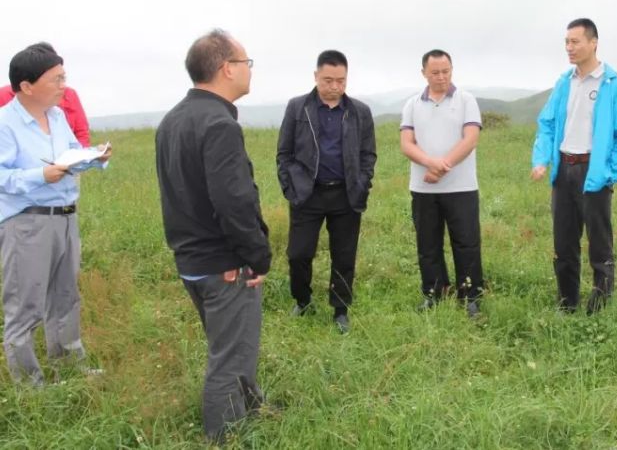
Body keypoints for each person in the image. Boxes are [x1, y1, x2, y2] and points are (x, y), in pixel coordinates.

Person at [155, 29, 272, 443]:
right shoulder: (219, 124)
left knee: (234, 346)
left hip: (192, 260)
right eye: (245, 62)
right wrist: (256, 256)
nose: (249, 70)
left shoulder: (172, 120)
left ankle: (253, 410)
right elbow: (233, 202)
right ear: (227, 69)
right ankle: (225, 438)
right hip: (224, 264)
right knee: (229, 359)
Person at [0, 44, 111, 386]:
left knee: (65, 297)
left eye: (64, 77)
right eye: (56, 79)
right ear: (27, 86)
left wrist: (93, 156)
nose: (64, 85)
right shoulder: (5, 123)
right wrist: (40, 176)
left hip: (65, 216)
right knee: (25, 305)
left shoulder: (58, 117)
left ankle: (70, 367)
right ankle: (29, 386)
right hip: (27, 223)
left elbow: (70, 153)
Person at [531, 18, 617, 314]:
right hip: (564, 169)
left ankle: (599, 309)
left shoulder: (613, 85)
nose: (569, 47)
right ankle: (567, 304)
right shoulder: (565, 82)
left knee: (600, 246)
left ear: (593, 43)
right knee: (564, 244)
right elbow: (547, 122)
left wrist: (609, 174)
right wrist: (541, 160)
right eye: (566, 42)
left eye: (575, 41)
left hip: (594, 171)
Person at [276, 50, 376, 334]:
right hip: (307, 193)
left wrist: (363, 181)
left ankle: (340, 309)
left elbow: (368, 154)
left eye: (341, 81)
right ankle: (303, 301)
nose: (334, 87)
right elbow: (284, 152)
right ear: (316, 76)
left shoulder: (359, 111)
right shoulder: (298, 108)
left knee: (344, 255)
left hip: (346, 194)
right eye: (328, 80)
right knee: (298, 254)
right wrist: (290, 186)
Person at [400, 49, 484, 318]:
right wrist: (431, 163)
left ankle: (470, 296)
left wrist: (441, 168)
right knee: (428, 244)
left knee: (467, 243)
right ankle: (434, 292)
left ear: (452, 70)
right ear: (424, 73)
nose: (441, 77)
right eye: (435, 72)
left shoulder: (466, 100)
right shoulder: (412, 104)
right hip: (423, 188)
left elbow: (470, 139)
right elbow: (406, 144)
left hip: (462, 187)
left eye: (446, 71)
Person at [0, 42, 91, 146]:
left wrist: (94, 154)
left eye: (62, 78)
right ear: (27, 87)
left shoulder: (57, 114)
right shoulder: (5, 120)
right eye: (56, 79)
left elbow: (77, 141)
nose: (62, 86)